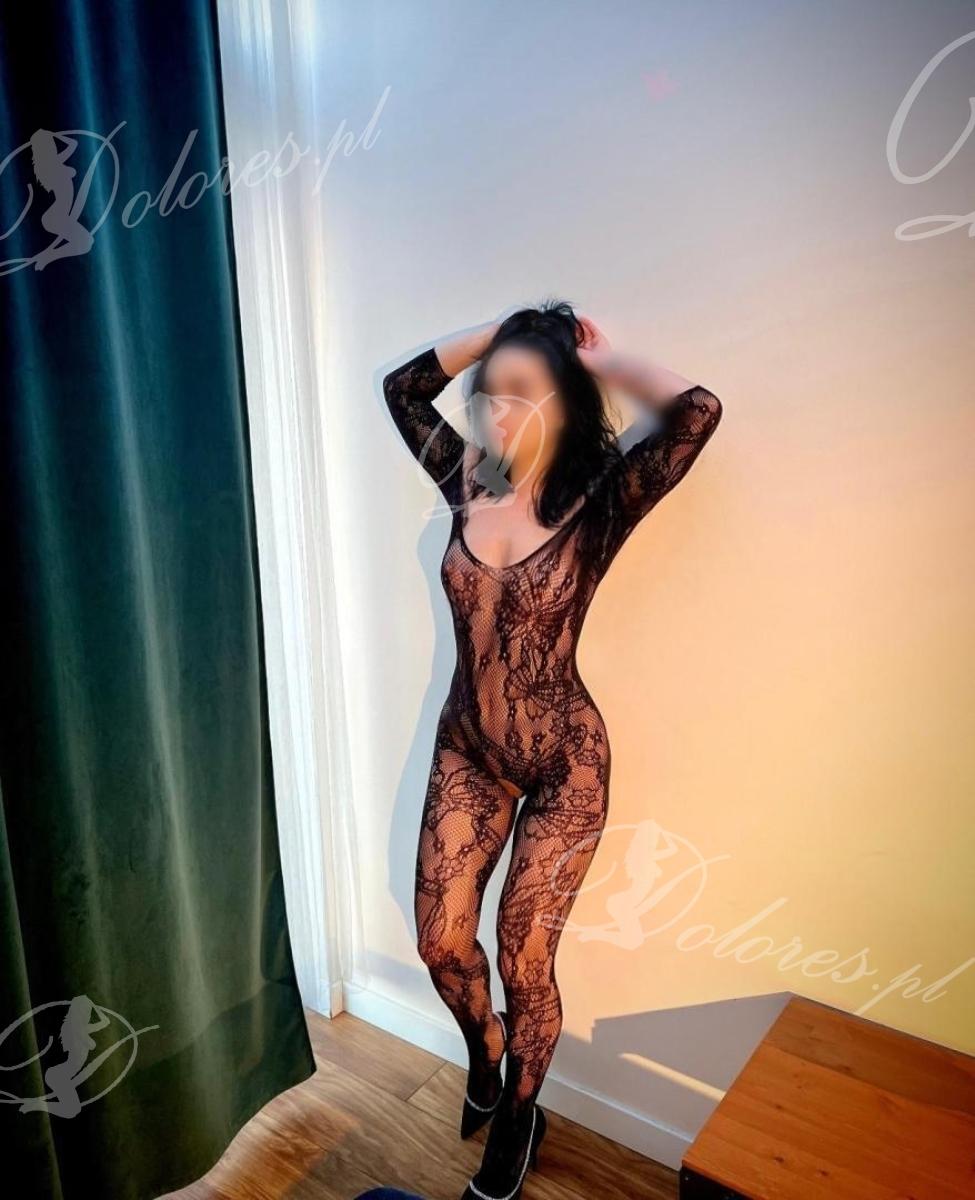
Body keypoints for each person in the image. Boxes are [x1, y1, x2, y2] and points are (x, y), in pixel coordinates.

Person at [382, 302, 722, 1200]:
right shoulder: (468, 479)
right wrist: (500, 331)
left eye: (521, 394)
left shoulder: (597, 502)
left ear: (562, 401)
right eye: (490, 395)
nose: (497, 414)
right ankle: (483, 1046)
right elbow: (404, 389)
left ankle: (520, 1115)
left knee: (522, 957)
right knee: (441, 944)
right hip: (468, 746)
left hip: (564, 761)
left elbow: (697, 414)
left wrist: (595, 357)